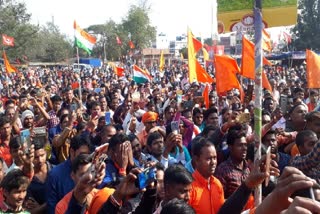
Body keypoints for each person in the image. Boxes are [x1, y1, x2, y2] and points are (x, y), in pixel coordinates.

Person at [46, 135, 92, 214]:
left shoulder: (92, 171)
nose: (85, 157)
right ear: (72, 152)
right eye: (82, 154)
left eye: (88, 154)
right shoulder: (55, 175)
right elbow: (52, 208)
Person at [214, 130, 250, 198]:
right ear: (230, 147)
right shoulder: (223, 170)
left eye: (245, 145)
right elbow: (219, 199)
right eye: (240, 145)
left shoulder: (248, 168)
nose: (244, 148)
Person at [25, 140, 53, 213]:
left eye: (42, 155)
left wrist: (41, 206)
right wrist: (50, 202)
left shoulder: (56, 171)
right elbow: (31, 210)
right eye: (36, 157)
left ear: (46, 153)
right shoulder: (27, 178)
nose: (40, 160)